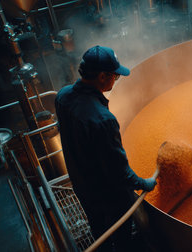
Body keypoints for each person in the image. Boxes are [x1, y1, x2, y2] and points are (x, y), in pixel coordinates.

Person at [55, 45, 157, 251]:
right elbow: (120, 171)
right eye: (114, 76)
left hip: (81, 184)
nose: (115, 80)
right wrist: (145, 183)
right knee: (121, 235)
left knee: (98, 228)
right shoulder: (102, 120)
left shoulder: (63, 96)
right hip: (108, 195)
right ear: (102, 76)